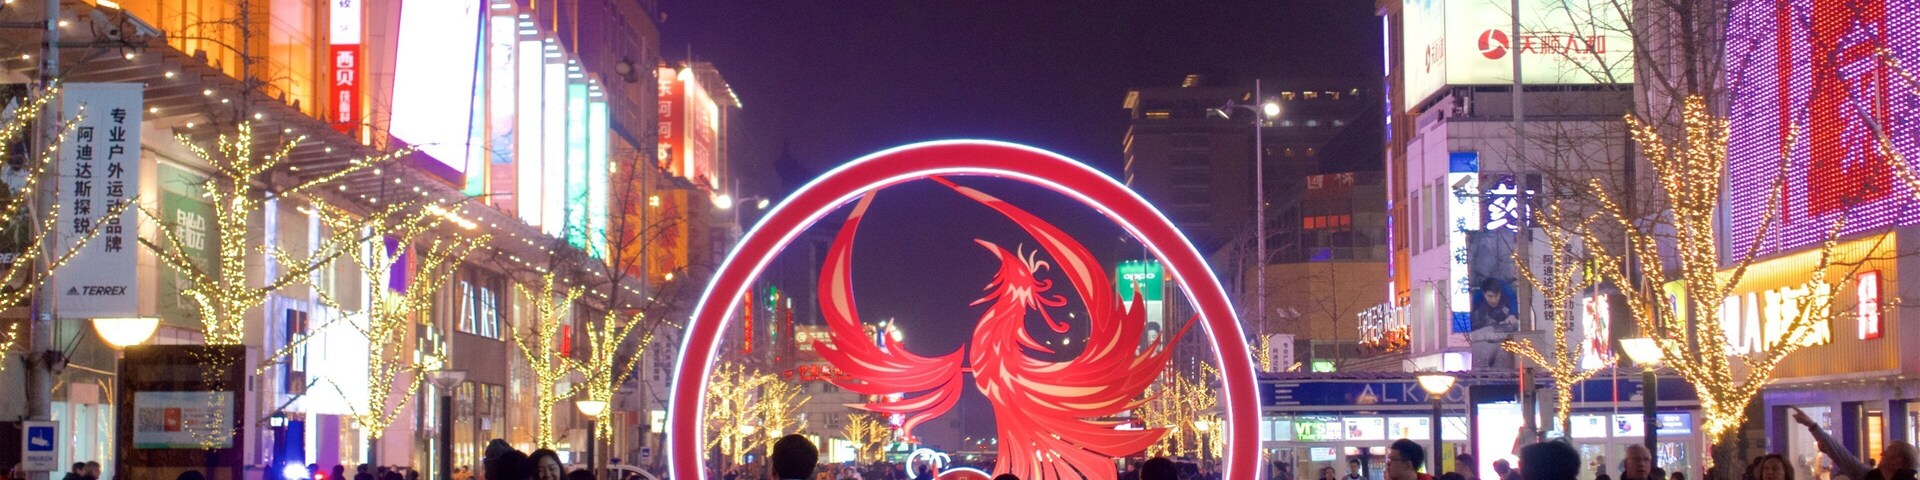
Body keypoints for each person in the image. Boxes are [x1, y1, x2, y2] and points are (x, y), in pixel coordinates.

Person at [1793, 407, 1917, 480]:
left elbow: (1842, 456)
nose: (1882, 453)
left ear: (1897, 461)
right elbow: (1841, 456)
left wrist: (1812, 425)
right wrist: (1812, 425)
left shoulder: (1869, 476)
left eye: (1888, 452)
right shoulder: (1871, 476)